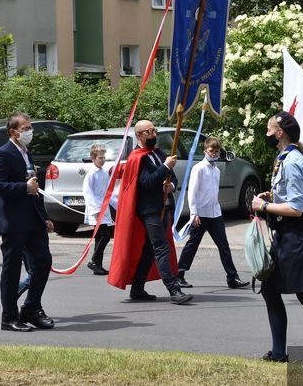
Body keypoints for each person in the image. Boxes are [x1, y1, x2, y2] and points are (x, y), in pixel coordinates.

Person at [251, 112, 303, 364]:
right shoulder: (285, 158)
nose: (266, 134)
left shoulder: (292, 162)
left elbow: (296, 208)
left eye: (269, 129)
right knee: (270, 290)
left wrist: (263, 206)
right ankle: (279, 353)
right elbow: (289, 197)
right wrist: (272, 197)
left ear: (280, 133)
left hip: (298, 237)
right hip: (287, 235)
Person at [107, 120, 192, 304]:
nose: (154, 134)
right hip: (148, 210)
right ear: (139, 135)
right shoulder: (137, 158)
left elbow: (172, 178)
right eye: (149, 131)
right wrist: (165, 167)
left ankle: (137, 288)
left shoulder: (158, 153)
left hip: (163, 206)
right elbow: (146, 182)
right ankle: (174, 290)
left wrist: (170, 186)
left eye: (154, 130)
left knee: (149, 250)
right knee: (161, 248)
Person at [0, 112, 55, 332]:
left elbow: (34, 188)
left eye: (30, 128)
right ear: (13, 132)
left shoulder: (26, 153)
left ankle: (31, 308)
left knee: (43, 262)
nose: (29, 132)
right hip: (14, 221)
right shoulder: (3, 154)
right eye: (25, 129)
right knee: (12, 270)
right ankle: (9, 317)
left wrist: (44, 217)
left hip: (33, 220)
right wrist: (23, 187)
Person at [176, 136, 249, 290]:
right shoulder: (199, 168)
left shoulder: (216, 170)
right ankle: (179, 274)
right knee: (192, 244)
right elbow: (192, 192)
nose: (214, 154)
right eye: (211, 151)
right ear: (205, 151)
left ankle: (232, 277)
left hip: (215, 213)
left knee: (224, 246)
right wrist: (194, 213)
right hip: (201, 213)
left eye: (217, 151)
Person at [83, 143, 117, 276]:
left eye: (104, 158)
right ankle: (93, 261)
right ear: (93, 158)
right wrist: (95, 210)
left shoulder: (104, 173)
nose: (103, 160)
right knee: (105, 235)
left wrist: (118, 205)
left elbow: (109, 193)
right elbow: (88, 193)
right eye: (100, 158)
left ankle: (98, 264)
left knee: (100, 237)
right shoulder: (91, 174)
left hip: (104, 209)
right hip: (97, 211)